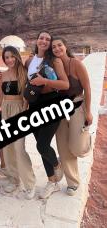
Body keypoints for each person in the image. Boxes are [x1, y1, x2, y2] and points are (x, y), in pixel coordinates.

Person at [26, 31, 69, 199]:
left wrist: (45, 81)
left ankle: (57, 165)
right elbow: (24, 79)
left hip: (52, 103)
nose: (44, 41)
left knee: (42, 145)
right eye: (41, 38)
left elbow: (64, 84)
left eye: (47, 39)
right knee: (41, 144)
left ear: (50, 44)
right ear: (36, 41)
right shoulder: (29, 60)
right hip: (33, 105)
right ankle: (52, 182)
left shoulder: (54, 60)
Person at [51, 37, 93, 196]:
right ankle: (72, 182)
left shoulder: (76, 64)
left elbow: (87, 88)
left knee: (76, 147)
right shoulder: (52, 66)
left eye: (59, 45)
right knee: (62, 145)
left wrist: (88, 111)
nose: (57, 49)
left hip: (76, 106)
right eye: (53, 47)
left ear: (65, 46)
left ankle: (85, 140)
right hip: (59, 109)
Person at [0, 46, 36, 199]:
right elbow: (1, 95)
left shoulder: (24, 73)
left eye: (12, 56)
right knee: (8, 147)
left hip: (19, 110)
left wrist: (24, 113)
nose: (10, 60)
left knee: (19, 148)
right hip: (5, 110)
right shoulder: (4, 75)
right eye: (7, 57)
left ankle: (30, 183)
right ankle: (13, 179)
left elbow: (26, 97)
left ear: (17, 57)